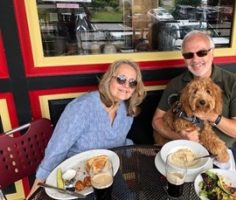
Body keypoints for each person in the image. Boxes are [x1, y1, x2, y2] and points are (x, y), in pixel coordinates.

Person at [26, 59, 146, 199]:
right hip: (77, 174)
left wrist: (137, 150)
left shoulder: (127, 111)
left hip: (106, 169)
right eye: (121, 79)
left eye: (132, 82)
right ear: (109, 79)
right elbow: (58, 147)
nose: (126, 86)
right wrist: (39, 182)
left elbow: (117, 140)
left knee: (128, 198)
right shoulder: (82, 107)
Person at [152, 30, 236, 173]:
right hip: (182, 150)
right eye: (188, 55)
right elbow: (157, 121)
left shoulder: (233, 83)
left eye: (202, 52)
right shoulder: (176, 84)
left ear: (212, 53)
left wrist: (212, 117)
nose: (195, 59)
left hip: (221, 153)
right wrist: (180, 136)